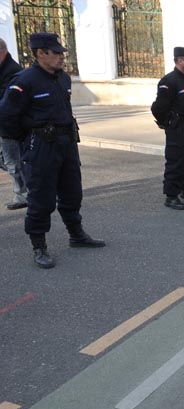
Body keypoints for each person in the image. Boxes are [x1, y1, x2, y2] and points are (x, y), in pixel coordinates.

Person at [0, 32, 105, 268]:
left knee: (72, 192)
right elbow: (6, 119)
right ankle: (39, 246)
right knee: (41, 199)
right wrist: (29, 140)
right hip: (41, 148)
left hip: (66, 145)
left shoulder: (63, 79)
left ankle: (76, 235)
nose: (61, 57)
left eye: (61, 53)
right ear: (40, 54)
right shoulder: (23, 81)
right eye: (56, 53)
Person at [151, 47, 184, 210]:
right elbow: (158, 107)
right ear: (180, 61)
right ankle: (171, 195)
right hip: (178, 126)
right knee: (176, 160)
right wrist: (165, 122)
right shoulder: (169, 81)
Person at [0, 37, 27, 210]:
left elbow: (7, 101)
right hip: (5, 126)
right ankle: (28, 190)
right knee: (12, 161)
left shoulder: (12, 71)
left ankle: (23, 194)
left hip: (11, 126)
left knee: (13, 162)